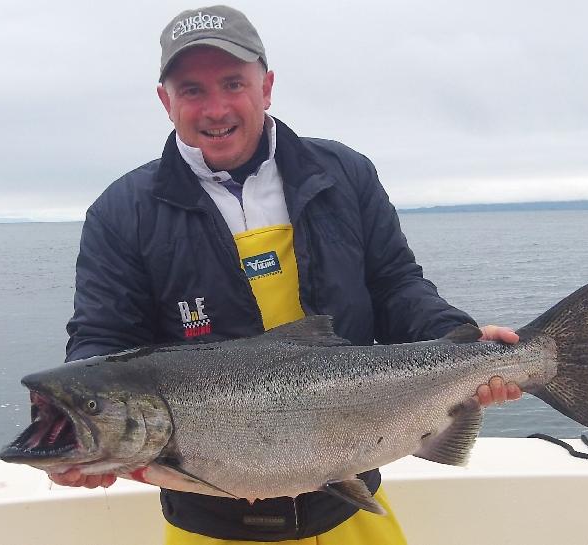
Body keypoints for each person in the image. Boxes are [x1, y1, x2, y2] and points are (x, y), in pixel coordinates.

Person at [54, 5, 521, 544]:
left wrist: (458, 340)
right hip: (209, 525)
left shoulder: (344, 174)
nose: (216, 108)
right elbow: (104, 339)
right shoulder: (122, 212)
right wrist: (83, 428)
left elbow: (396, 284)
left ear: (267, 86)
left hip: (351, 503)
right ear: (166, 101)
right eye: (192, 90)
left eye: (233, 83)